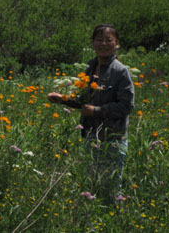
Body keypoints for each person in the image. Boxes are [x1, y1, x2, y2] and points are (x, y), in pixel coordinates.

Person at [48, 24, 135, 204]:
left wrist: (97, 111)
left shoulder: (121, 72)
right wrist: (63, 99)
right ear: (93, 43)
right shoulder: (90, 67)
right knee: (92, 186)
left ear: (117, 44)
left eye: (108, 40)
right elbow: (83, 102)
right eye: (99, 39)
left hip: (112, 139)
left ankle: (112, 222)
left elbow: (126, 106)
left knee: (110, 189)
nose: (103, 43)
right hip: (90, 136)